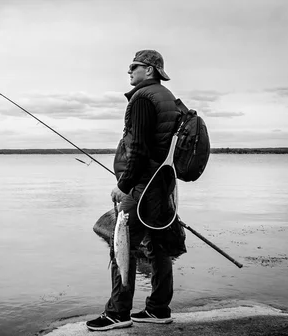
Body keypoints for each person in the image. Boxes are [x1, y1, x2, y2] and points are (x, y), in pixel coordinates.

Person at [86, 50, 187, 331]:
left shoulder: (143, 98)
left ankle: (118, 313)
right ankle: (158, 309)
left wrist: (123, 185)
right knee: (159, 247)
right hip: (163, 182)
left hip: (144, 185)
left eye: (135, 66)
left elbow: (140, 149)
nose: (129, 71)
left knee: (123, 247)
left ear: (151, 70)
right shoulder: (167, 97)